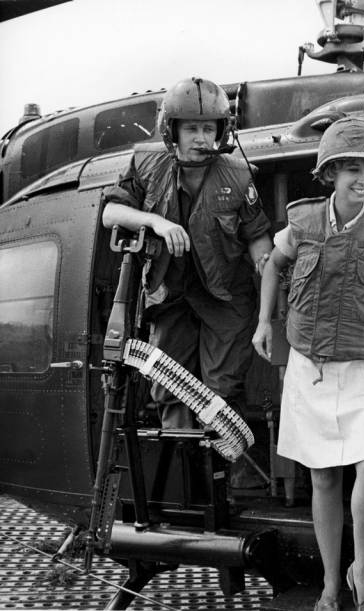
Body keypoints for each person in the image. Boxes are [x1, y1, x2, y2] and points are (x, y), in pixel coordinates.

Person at [252, 116, 364, 611]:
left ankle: (360, 572)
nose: (362, 179)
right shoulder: (300, 223)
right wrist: (264, 323)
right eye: (351, 169)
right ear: (330, 173)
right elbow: (273, 267)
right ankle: (329, 582)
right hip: (311, 366)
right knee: (322, 476)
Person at [101, 77, 272, 484]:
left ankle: (222, 488)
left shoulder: (239, 177)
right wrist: (155, 222)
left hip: (227, 297)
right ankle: (183, 487)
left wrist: (269, 269)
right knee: (168, 386)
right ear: (171, 130)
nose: (200, 138)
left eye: (208, 129)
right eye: (191, 128)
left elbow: (258, 239)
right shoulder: (145, 165)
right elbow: (111, 214)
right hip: (169, 294)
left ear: (222, 132)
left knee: (219, 392)